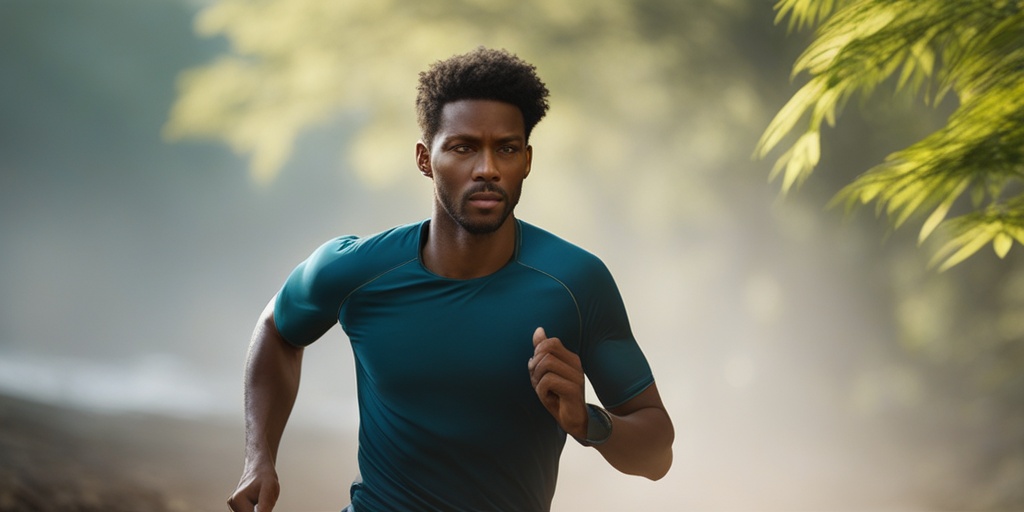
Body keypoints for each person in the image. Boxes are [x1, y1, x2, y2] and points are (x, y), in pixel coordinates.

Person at [227, 47, 674, 512]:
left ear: (526, 160)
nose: (487, 168)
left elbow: (657, 454)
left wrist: (588, 422)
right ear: (425, 159)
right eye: (464, 148)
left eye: (506, 148)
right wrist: (258, 458)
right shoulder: (358, 270)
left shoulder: (576, 284)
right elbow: (277, 329)